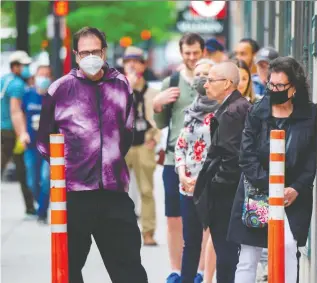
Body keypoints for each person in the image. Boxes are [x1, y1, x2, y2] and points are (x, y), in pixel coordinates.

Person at [36, 26, 148, 282]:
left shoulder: (121, 86)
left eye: (95, 51)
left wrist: (109, 161)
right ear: (76, 55)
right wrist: (69, 169)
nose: (90, 57)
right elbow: (44, 143)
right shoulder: (60, 90)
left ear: (104, 51)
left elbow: (127, 133)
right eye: (84, 52)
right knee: (69, 267)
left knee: (129, 267)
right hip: (75, 195)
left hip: (114, 192)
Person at [228, 56, 317, 283]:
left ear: (294, 87)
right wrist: (270, 186)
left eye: (280, 86)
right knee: (249, 256)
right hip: (257, 191)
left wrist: (296, 188)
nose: (274, 90)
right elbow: (246, 155)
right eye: (271, 85)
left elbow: (312, 158)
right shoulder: (258, 112)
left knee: (288, 247)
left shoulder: (310, 115)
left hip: (292, 195)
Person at [151, 32, 205, 283]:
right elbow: (161, 123)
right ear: (182, 53)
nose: (192, 57)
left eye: (196, 52)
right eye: (187, 53)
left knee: (203, 219)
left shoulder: (211, 79)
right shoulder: (171, 82)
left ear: (202, 52)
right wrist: (157, 104)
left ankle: (200, 271)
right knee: (174, 217)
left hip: (205, 162)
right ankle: (176, 269)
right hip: (174, 159)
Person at [193, 62, 251, 283]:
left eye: (210, 80)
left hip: (226, 198)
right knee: (229, 259)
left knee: (227, 260)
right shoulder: (235, 107)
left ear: (227, 83)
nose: (205, 85)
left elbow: (231, 158)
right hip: (230, 194)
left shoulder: (233, 112)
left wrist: (213, 188)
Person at [174, 59, 219, 283]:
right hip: (188, 185)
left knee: (216, 239)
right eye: (198, 74)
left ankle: (209, 279)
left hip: (214, 185)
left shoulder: (224, 110)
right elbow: (181, 146)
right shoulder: (190, 111)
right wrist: (182, 174)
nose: (202, 78)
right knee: (190, 242)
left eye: (207, 74)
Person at [123, 46, 161, 246]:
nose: (132, 64)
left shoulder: (152, 92)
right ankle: (121, 232)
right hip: (123, 146)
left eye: (136, 60)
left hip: (143, 145)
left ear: (143, 64)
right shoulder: (117, 89)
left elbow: (159, 118)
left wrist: (154, 137)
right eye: (128, 60)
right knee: (118, 193)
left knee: (146, 190)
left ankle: (148, 232)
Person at [1, 50, 35, 216]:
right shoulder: (17, 85)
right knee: (21, 169)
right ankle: (30, 206)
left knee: (21, 169)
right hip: (10, 133)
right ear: (15, 67)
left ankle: (30, 206)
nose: (27, 68)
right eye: (24, 65)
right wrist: (22, 134)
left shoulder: (4, 80)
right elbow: (16, 112)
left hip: (4, 130)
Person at [22, 64, 53, 224]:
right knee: (31, 181)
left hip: (48, 147)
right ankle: (40, 202)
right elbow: (19, 114)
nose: (44, 78)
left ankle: (42, 211)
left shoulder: (54, 97)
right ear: (35, 77)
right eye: (41, 74)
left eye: (47, 75)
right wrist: (22, 132)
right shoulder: (28, 95)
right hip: (31, 145)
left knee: (46, 178)